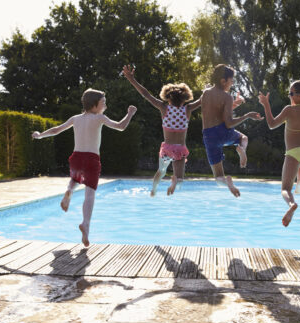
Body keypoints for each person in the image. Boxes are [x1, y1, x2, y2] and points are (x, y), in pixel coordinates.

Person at [32, 89, 136, 247]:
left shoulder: (75, 118)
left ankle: (69, 190)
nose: (105, 105)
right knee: (90, 194)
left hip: (76, 157)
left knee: (76, 177)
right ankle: (86, 224)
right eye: (103, 102)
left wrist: (40, 135)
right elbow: (120, 127)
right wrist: (130, 114)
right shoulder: (100, 118)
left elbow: (56, 130)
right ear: (94, 105)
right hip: (92, 159)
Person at [122, 64, 201, 196]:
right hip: (180, 149)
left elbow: (145, 94)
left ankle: (154, 189)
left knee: (161, 171)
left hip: (167, 149)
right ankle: (175, 182)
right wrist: (208, 90)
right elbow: (202, 100)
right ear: (185, 97)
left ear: (168, 97)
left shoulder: (164, 108)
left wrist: (131, 79)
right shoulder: (188, 109)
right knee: (180, 180)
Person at [258, 80, 300, 227]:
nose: (289, 96)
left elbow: (271, 124)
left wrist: (266, 104)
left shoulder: (289, 110)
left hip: (295, 152)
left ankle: (292, 204)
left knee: (285, 189)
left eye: (291, 94)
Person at [201, 64, 263, 197]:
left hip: (209, 136)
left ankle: (227, 182)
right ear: (223, 81)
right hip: (223, 133)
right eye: (231, 80)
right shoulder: (226, 96)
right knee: (243, 138)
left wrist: (234, 104)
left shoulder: (205, 93)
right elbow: (228, 123)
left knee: (218, 178)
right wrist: (247, 116)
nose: (233, 83)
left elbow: (216, 114)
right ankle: (242, 150)